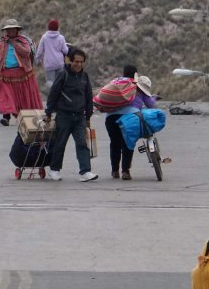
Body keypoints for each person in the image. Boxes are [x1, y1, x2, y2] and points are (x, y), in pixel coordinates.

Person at [44, 47, 98, 182]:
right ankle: (54, 170)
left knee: (82, 144)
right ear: (70, 61)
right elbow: (53, 94)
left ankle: (85, 172)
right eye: (76, 61)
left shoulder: (85, 76)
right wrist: (48, 113)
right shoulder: (63, 74)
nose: (79, 64)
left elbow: (88, 96)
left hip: (79, 117)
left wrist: (88, 116)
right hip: (64, 116)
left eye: (81, 62)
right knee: (60, 143)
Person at [0, 19, 43, 127]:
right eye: (8, 29)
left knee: (21, 98)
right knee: (6, 96)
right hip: (4, 75)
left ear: (17, 30)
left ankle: (23, 116)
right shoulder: (1, 43)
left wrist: (14, 44)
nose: (10, 31)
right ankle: (6, 117)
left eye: (12, 29)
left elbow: (26, 53)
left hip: (21, 74)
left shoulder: (23, 41)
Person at [106, 73, 158, 180]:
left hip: (110, 118)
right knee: (128, 143)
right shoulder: (139, 91)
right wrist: (154, 98)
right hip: (129, 118)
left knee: (114, 143)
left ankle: (114, 171)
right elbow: (150, 104)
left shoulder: (119, 85)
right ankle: (125, 171)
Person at [34, 19, 70, 90]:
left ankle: (52, 95)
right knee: (59, 81)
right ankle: (60, 97)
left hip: (49, 64)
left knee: (50, 82)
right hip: (59, 63)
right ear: (57, 27)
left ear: (48, 27)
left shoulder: (44, 37)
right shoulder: (61, 38)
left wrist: (38, 60)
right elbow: (65, 51)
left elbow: (39, 51)